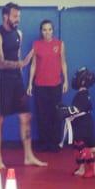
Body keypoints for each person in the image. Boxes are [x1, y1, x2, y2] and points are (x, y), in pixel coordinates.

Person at [0, 2, 47, 169]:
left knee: (26, 116)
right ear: (5, 16)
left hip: (16, 81)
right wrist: (21, 64)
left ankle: (28, 156)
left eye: (19, 17)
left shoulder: (18, 33)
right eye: (15, 16)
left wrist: (21, 77)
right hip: (1, 80)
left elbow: (18, 55)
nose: (17, 20)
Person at [27, 19, 69, 152]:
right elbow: (33, 65)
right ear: (41, 31)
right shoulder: (36, 44)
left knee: (55, 114)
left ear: (53, 30)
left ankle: (55, 143)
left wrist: (66, 81)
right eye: (44, 29)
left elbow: (63, 63)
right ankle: (44, 142)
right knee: (42, 115)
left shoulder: (60, 44)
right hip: (40, 85)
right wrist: (29, 84)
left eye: (49, 29)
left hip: (56, 85)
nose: (47, 32)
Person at [57, 67, 95, 177]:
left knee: (84, 147)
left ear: (83, 81)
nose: (74, 79)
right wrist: (66, 108)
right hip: (78, 123)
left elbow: (79, 108)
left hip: (84, 124)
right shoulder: (81, 94)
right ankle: (81, 168)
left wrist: (66, 111)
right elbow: (76, 108)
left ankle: (92, 168)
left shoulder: (84, 94)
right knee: (77, 147)